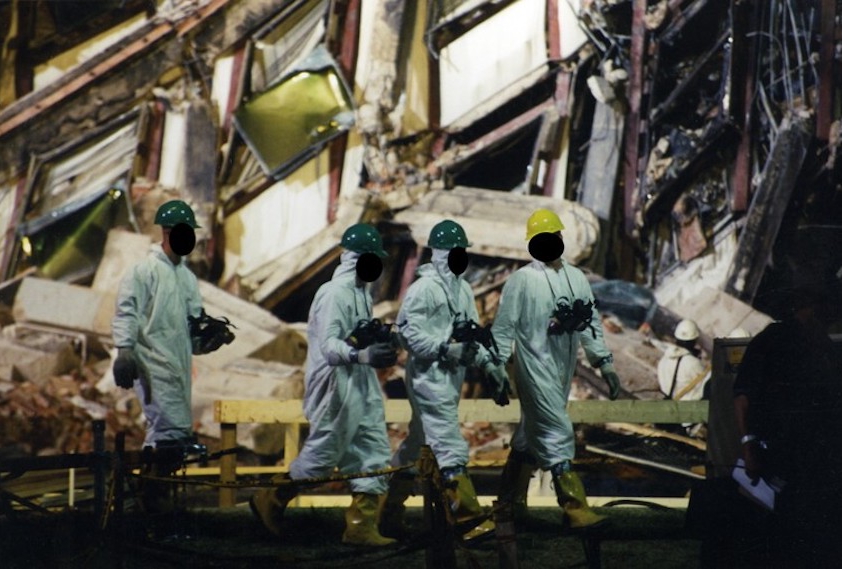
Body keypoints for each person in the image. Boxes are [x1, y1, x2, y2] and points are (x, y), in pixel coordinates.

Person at [250, 223, 400, 547]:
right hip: (335, 387)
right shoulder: (335, 294)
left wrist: (380, 342)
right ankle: (271, 498)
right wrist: (362, 355)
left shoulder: (361, 293)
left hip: (360, 382)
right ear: (356, 258)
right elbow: (331, 347)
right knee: (323, 454)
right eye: (372, 258)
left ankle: (361, 526)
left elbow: (357, 335)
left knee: (373, 450)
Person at [379, 220, 511, 542]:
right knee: (448, 443)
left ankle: (387, 514)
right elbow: (408, 334)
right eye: (454, 252)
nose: (459, 257)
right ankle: (468, 516)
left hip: (450, 379)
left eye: (461, 252)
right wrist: (444, 348)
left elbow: (472, 336)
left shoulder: (463, 290)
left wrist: (489, 365)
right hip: (428, 378)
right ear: (440, 254)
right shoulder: (424, 289)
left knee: (417, 446)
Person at [491, 208, 621, 529]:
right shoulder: (520, 282)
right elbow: (503, 329)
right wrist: (495, 368)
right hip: (533, 368)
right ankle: (575, 507)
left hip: (562, 369)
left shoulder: (576, 277)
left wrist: (604, 363)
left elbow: (589, 324)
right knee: (557, 430)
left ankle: (509, 505)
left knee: (526, 438)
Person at [112, 199, 229, 513]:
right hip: (150, 362)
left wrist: (209, 340)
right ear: (166, 232)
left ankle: (150, 502)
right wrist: (124, 351)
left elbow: (191, 330)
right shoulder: (144, 271)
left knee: (172, 434)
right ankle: (150, 502)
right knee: (170, 431)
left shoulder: (187, 278)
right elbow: (127, 313)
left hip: (177, 366)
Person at [732, 281, 842, 567]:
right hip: (779, 458)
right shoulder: (772, 341)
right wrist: (748, 445)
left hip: (816, 461)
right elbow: (742, 397)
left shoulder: (825, 348)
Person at [656, 319, 709, 402]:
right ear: (694, 341)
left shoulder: (664, 360)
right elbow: (705, 386)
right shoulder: (691, 363)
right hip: (690, 406)